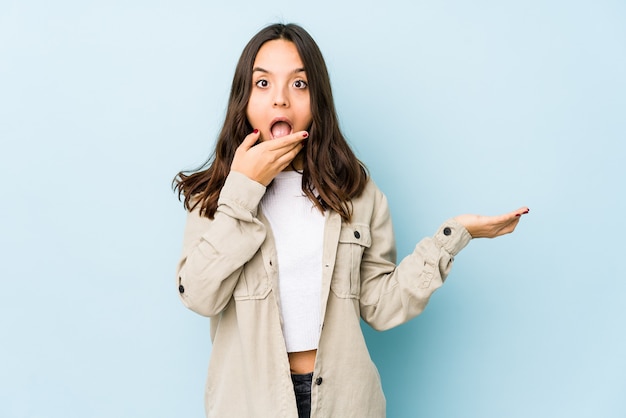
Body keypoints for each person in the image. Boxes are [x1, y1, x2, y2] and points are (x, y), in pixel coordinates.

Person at [173, 23, 528, 418]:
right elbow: (200, 295)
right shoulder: (216, 195)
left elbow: (381, 304)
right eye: (262, 83)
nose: (280, 101)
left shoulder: (355, 191)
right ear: (243, 98)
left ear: (317, 98)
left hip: (346, 402)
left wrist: (454, 237)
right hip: (249, 403)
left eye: (299, 84)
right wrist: (242, 191)